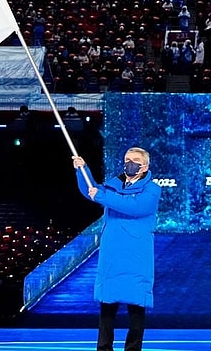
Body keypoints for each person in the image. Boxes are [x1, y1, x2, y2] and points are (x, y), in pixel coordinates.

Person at [72, 147, 162, 351]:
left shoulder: (152, 189)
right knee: (107, 305)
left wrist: (103, 197)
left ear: (145, 166)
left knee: (136, 307)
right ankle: (104, 348)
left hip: (136, 255)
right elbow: (91, 190)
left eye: (135, 160)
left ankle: (133, 348)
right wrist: (82, 169)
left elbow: (136, 207)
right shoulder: (113, 187)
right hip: (112, 254)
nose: (130, 163)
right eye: (127, 159)